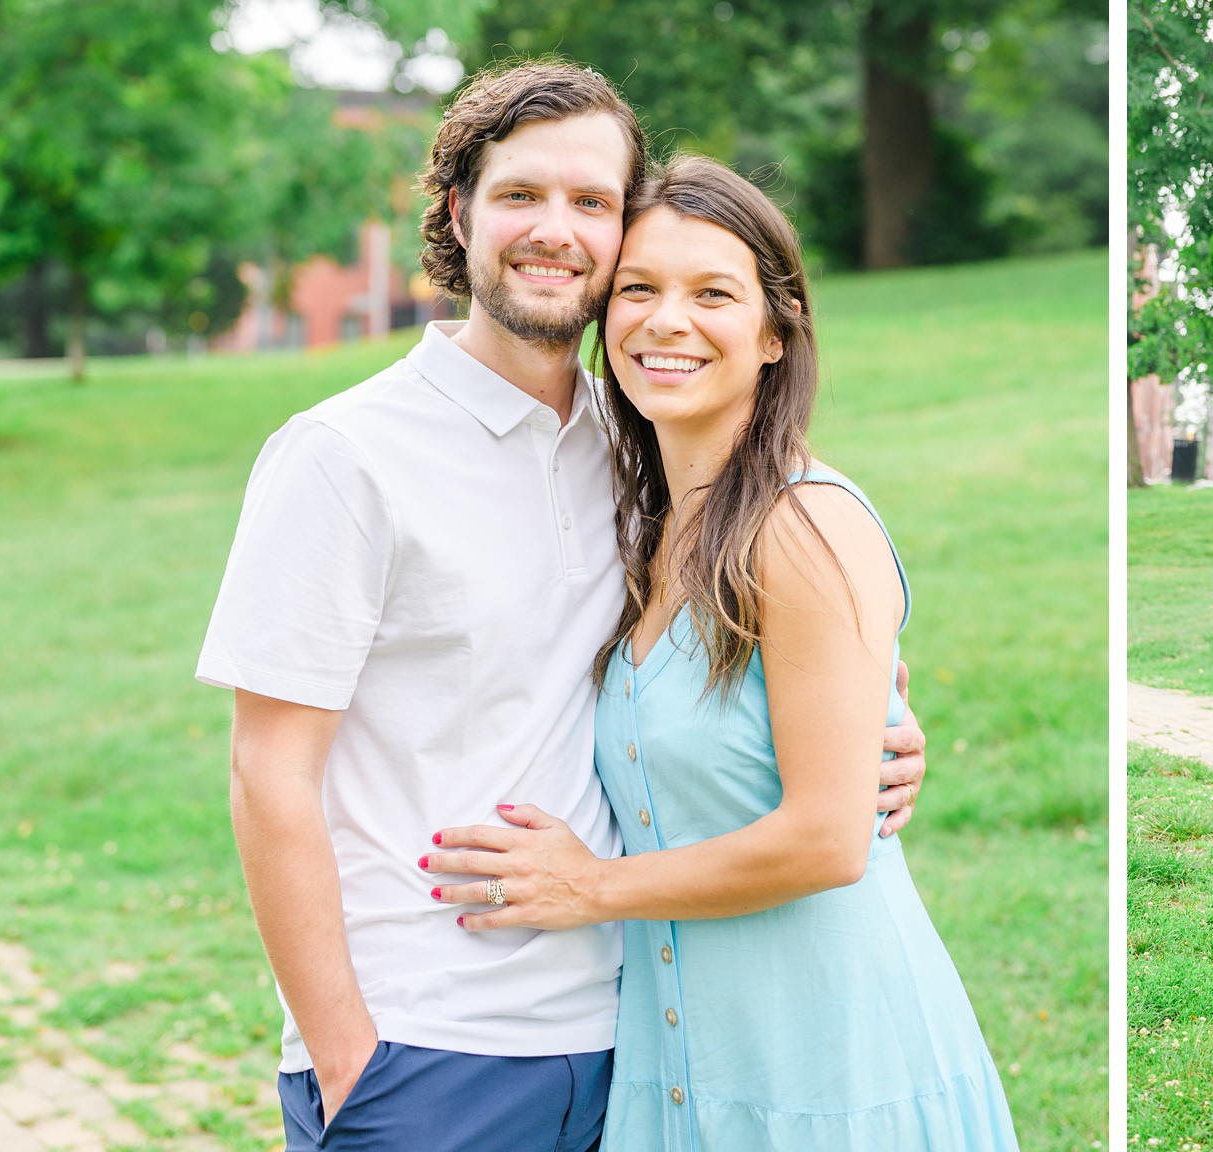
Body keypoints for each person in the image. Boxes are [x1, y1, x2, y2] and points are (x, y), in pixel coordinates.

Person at [197, 62, 930, 1151]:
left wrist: (887, 725)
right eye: (521, 195)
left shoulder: (637, 440)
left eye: (592, 202)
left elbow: (759, 646)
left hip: (641, 1041)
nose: (557, 230)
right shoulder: (343, 456)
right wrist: (349, 1058)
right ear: (459, 211)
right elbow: (269, 773)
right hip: (428, 1052)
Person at [420, 155, 1021, 1151]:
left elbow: (831, 839)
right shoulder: (647, 530)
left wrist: (586, 887)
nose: (666, 321)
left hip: (833, 1077)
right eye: (640, 290)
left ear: (774, 331)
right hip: (687, 1079)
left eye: (713, 294)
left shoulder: (806, 527)